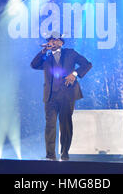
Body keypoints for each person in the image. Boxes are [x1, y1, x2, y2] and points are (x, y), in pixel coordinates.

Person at [31, 32, 92, 161]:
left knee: (65, 124)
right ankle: (50, 156)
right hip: (51, 96)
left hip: (67, 95)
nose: (52, 42)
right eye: (50, 40)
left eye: (54, 40)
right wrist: (43, 50)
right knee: (50, 125)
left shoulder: (70, 53)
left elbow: (87, 64)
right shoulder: (46, 57)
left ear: (61, 42)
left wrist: (74, 74)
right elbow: (34, 65)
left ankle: (64, 154)